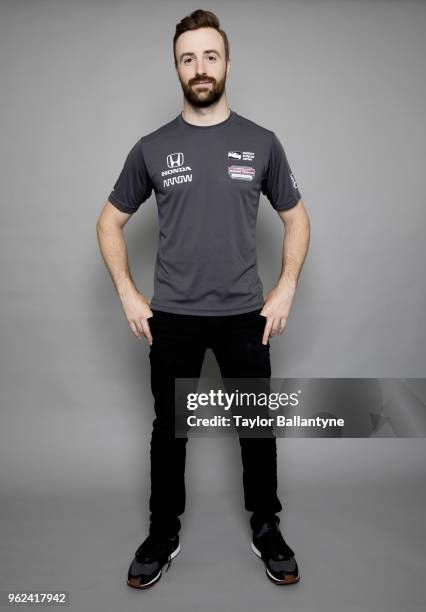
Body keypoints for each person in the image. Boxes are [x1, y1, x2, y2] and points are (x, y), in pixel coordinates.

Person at [96, 9, 310, 589]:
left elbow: (296, 218)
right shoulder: (153, 148)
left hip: (246, 316)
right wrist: (129, 294)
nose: (200, 67)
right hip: (174, 320)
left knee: (255, 427)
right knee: (169, 429)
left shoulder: (261, 143)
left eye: (210, 55)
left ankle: (266, 525)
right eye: (188, 58)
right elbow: (109, 222)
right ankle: (163, 531)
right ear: (177, 68)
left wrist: (286, 285)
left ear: (227, 62)